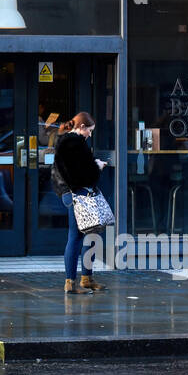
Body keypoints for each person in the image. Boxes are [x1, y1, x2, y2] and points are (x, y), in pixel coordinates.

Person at [54, 111, 108, 294]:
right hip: (75, 193)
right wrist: (97, 167)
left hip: (73, 192)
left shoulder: (69, 141)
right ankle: (71, 283)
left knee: (90, 233)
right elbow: (78, 172)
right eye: (89, 131)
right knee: (77, 235)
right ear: (82, 127)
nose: (90, 135)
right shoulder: (72, 142)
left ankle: (86, 278)